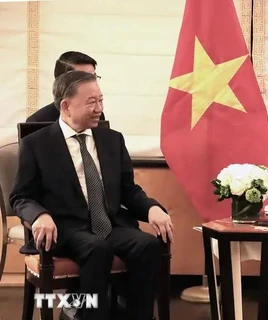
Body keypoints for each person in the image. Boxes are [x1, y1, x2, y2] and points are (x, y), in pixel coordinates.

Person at [10, 71, 173, 320]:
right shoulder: (37, 144)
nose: (99, 108)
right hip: (65, 228)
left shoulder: (112, 140)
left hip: (109, 223)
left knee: (147, 245)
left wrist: (151, 208)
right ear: (66, 106)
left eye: (101, 100)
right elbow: (21, 196)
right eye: (91, 102)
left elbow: (129, 190)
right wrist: (39, 215)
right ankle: (87, 314)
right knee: (98, 249)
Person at [26, 51, 106, 122]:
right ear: (63, 82)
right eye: (84, 79)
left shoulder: (97, 115)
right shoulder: (37, 121)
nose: (92, 83)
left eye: (93, 77)